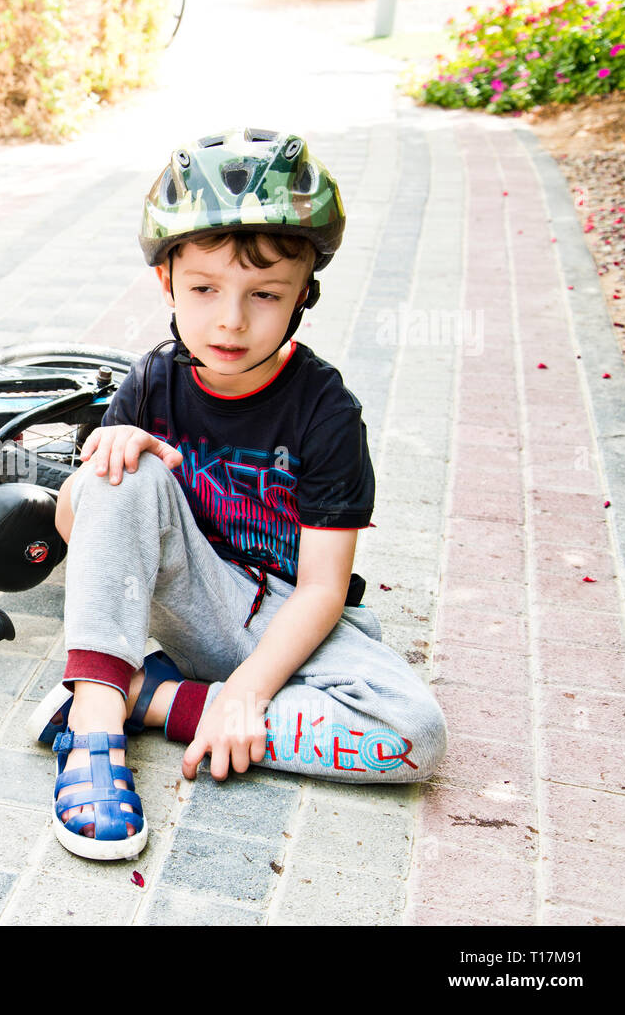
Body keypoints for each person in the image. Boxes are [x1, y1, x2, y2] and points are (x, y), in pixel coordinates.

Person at [28, 127, 448, 861]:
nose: (230, 319)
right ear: (167, 283)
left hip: (282, 618)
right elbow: (80, 529)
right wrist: (101, 468)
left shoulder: (325, 411)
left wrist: (248, 693)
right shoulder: (152, 382)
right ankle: (94, 722)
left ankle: (150, 697)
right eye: (204, 290)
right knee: (123, 470)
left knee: (413, 735)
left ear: (303, 296)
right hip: (186, 597)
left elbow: (321, 590)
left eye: (264, 295)